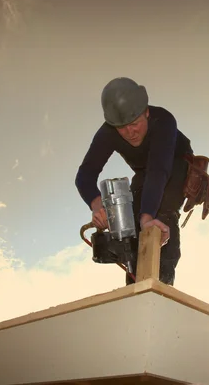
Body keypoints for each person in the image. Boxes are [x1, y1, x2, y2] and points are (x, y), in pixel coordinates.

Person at [75, 77, 194, 286]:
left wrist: (148, 218)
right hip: (145, 172)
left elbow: (159, 170)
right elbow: (84, 174)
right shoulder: (108, 132)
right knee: (132, 226)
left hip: (174, 164)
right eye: (122, 128)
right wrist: (98, 206)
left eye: (135, 124)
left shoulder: (164, 121)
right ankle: (135, 287)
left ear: (146, 111)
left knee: (158, 214)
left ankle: (161, 284)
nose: (130, 133)